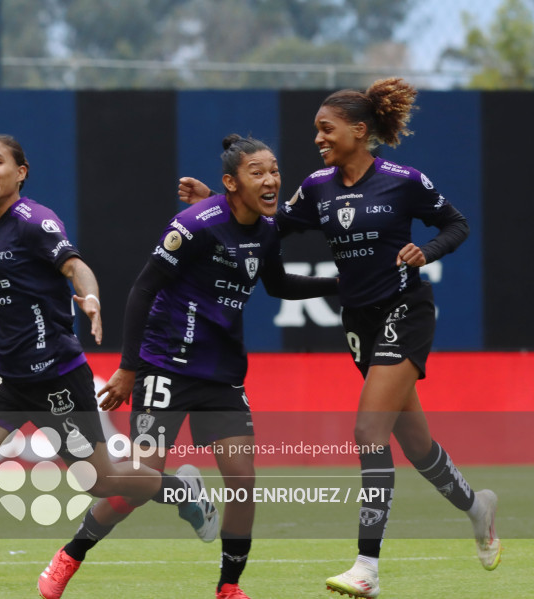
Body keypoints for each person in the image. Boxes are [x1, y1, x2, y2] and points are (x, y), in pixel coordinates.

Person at [178, 78, 501, 598]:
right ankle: (476, 506)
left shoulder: (403, 179)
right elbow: (269, 224)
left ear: (359, 130)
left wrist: (428, 251)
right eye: (316, 131)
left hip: (406, 310)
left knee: (369, 431)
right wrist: (220, 199)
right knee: (416, 445)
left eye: (326, 129)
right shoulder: (318, 187)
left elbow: (456, 224)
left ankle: (366, 570)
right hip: (358, 322)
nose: (318, 139)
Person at [0, 134, 217, 599]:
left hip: (55, 376)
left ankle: (181, 491)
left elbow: (75, 267)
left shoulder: (35, 222)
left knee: (102, 480)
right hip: (5, 378)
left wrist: (90, 298)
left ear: (22, 172)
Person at [37, 134, 339, 599]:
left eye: (274, 170)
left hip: (221, 374)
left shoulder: (268, 228)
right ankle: (70, 555)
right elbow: (142, 290)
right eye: (257, 172)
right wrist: (128, 368)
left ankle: (228, 588)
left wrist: (336, 283)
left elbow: (276, 284)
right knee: (136, 483)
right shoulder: (195, 224)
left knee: (242, 482)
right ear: (230, 182)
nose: (271, 180)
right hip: (165, 367)